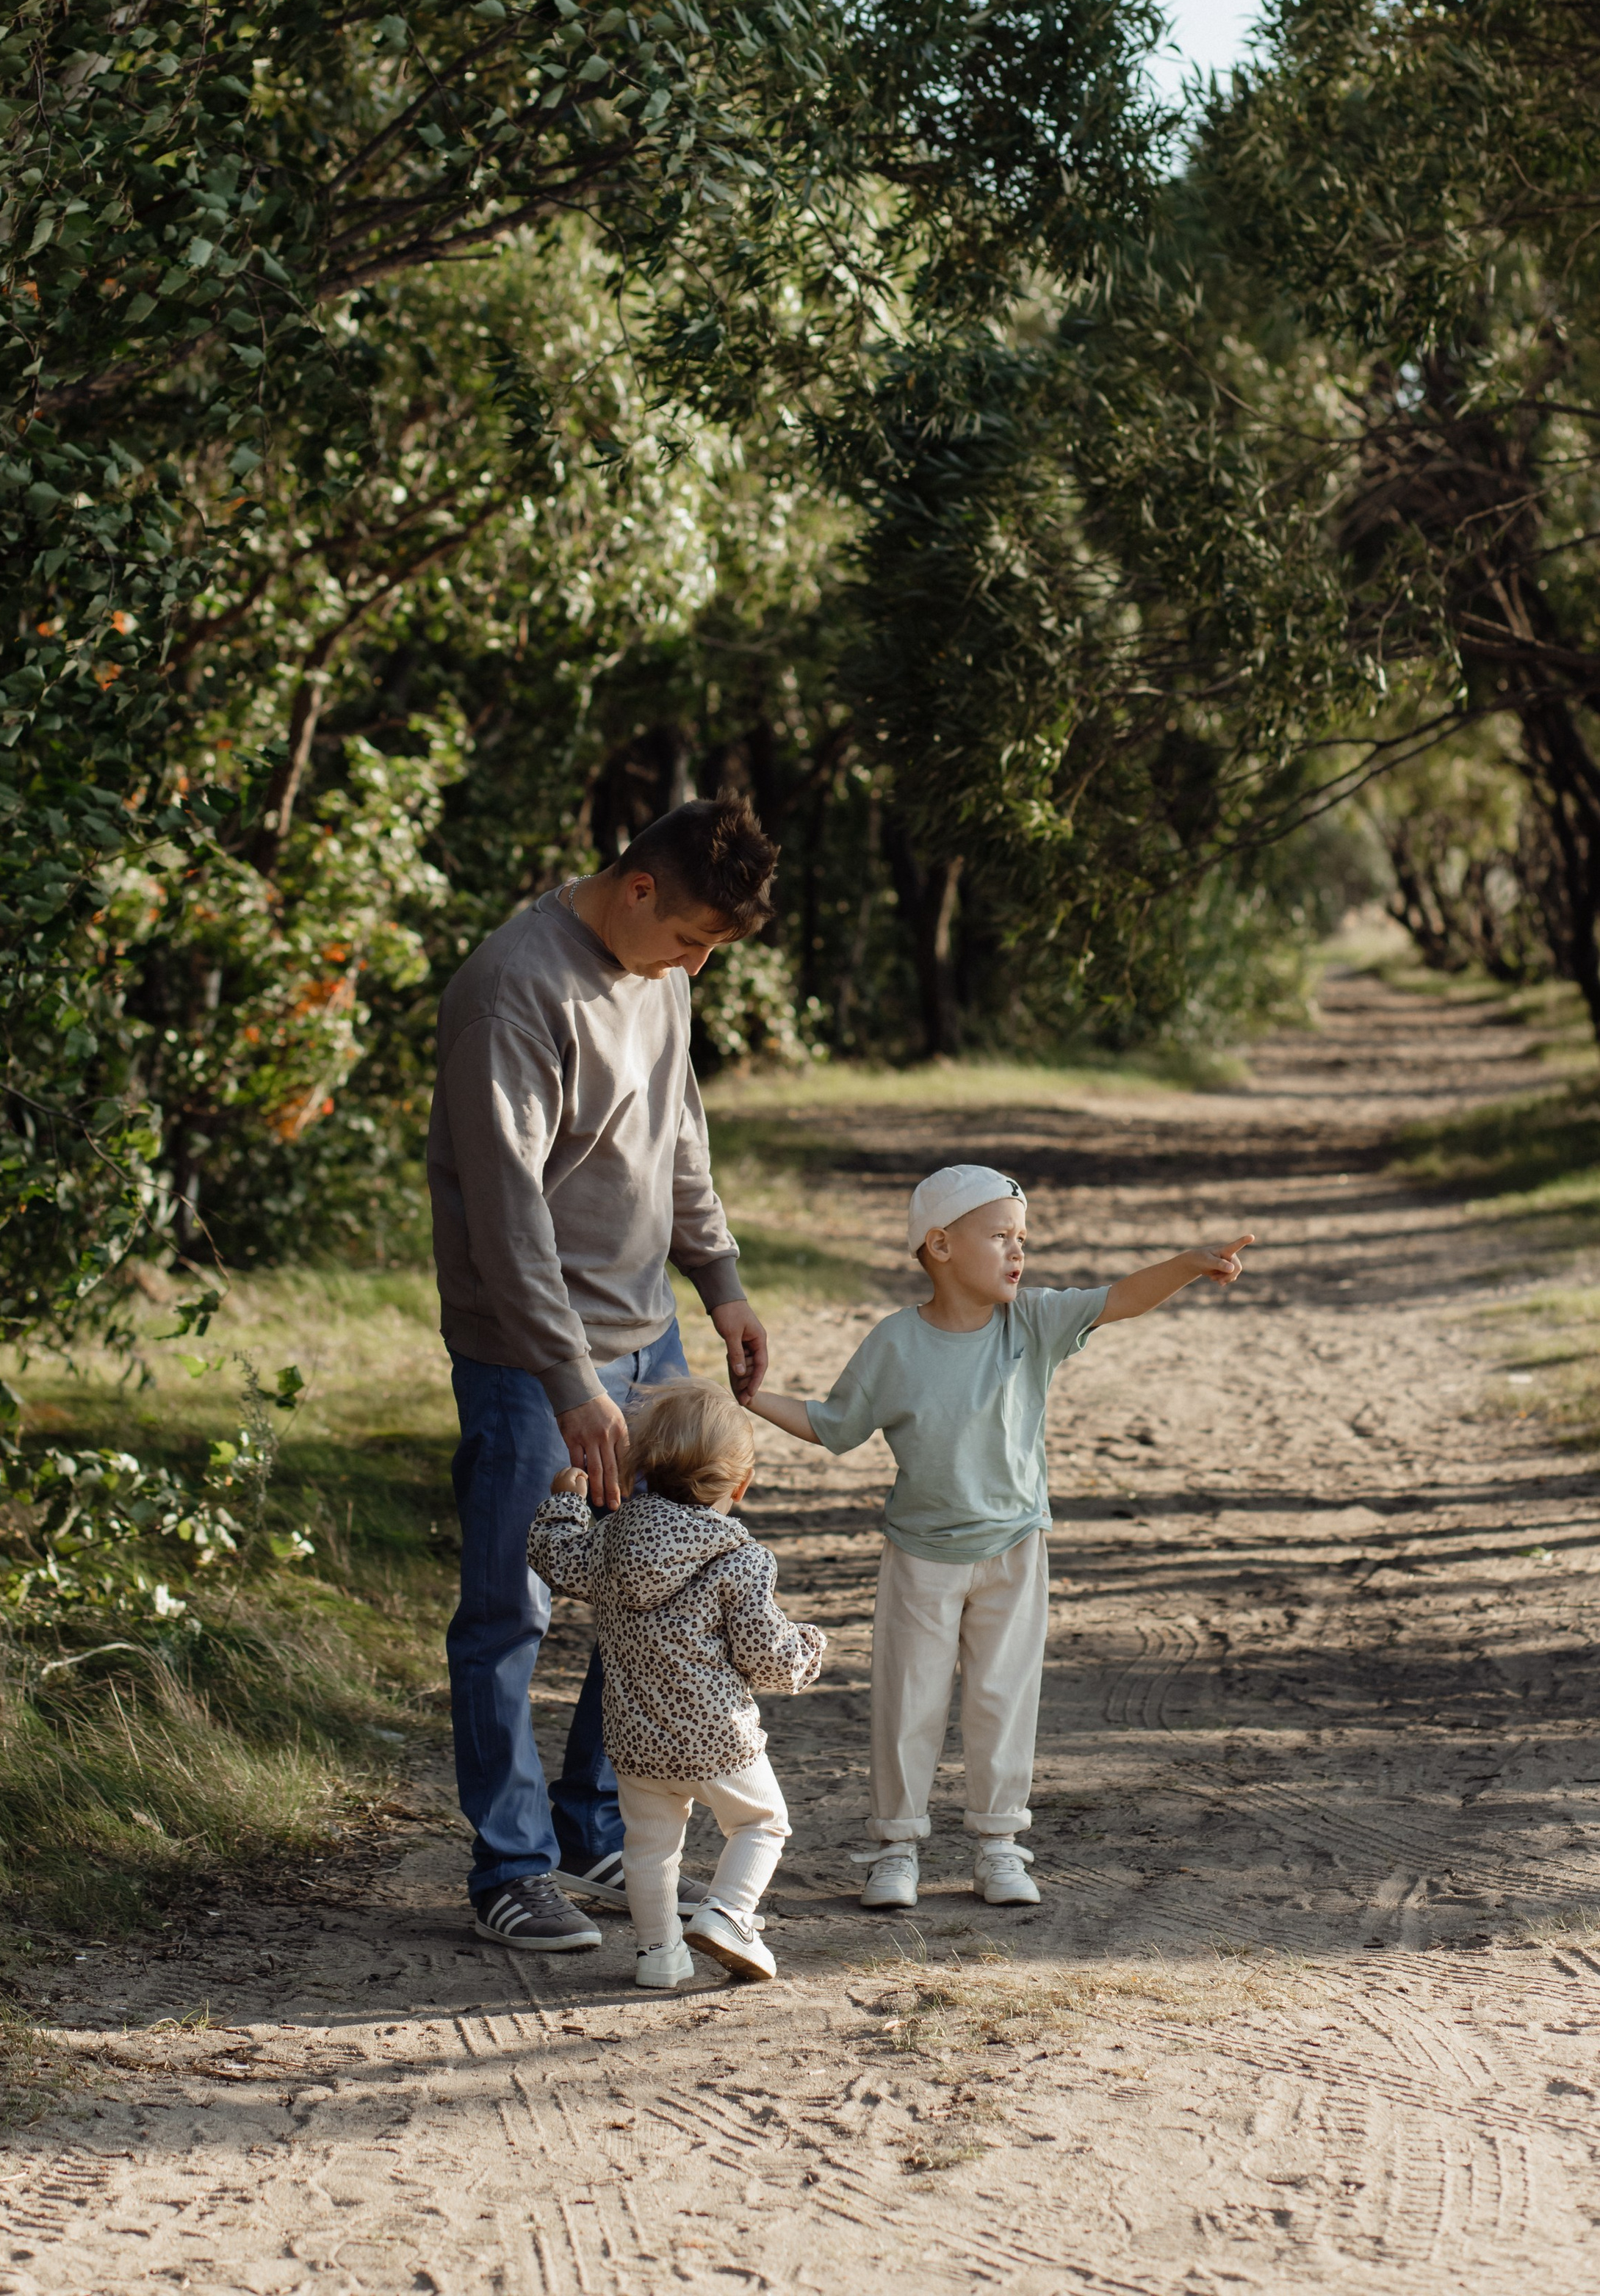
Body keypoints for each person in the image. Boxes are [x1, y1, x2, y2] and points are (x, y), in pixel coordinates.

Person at [429, 795, 779, 1952]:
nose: (696, 965)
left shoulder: (664, 975)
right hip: (532, 1360)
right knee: (511, 1608)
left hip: (650, 1343)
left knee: (655, 1592)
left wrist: (718, 1278)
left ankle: (592, 1827)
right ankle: (509, 1869)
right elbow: (508, 1214)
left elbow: (679, 1139)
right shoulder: (511, 988)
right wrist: (571, 1381)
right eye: (691, 940)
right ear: (638, 889)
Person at [744, 1163, 1253, 1912]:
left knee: (1002, 1697)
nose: (1019, 1252)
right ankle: (894, 1849)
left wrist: (1185, 1265)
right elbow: (833, 1426)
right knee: (907, 1702)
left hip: (1014, 1547)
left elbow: (1119, 1299)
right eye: (1001, 1237)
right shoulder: (893, 1345)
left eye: (1024, 1238)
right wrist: (749, 1398)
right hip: (919, 1555)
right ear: (940, 1245)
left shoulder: (1035, 1321)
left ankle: (998, 1845)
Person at [527, 1378, 824, 1988]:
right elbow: (769, 1657)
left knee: (650, 1849)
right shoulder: (739, 1560)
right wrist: (808, 1650)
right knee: (762, 1822)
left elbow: (555, 1558)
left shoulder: (610, 1542)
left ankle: (658, 1957)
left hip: (636, 1743)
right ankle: (728, 1914)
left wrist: (564, 1503)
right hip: (718, 1738)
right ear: (738, 1486)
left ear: (641, 1468)